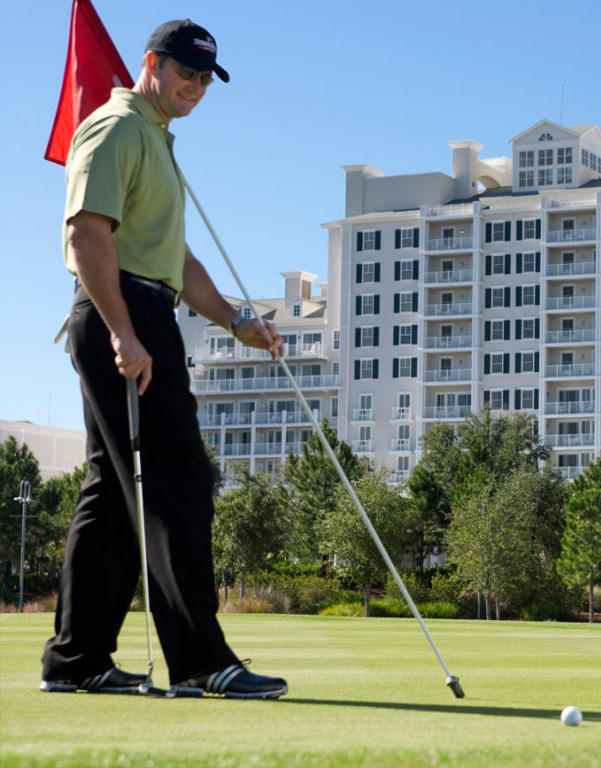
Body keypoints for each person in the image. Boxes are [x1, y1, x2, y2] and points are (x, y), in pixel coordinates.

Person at [41, 20, 288, 698]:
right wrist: (124, 333)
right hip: (122, 313)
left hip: (144, 311)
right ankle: (201, 661)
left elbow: (175, 259)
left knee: (116, 494)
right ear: (151, 64)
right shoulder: (117, 128)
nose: (197, 87)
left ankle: (77, 660)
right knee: (178, 479)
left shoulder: (155, 139)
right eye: (186, 72)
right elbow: (87, 235)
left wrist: (236, 320)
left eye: (206, 78)